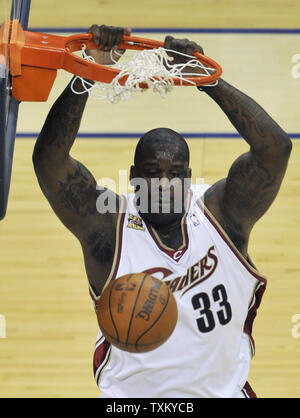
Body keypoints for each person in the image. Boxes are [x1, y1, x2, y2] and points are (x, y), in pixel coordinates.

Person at [32, 24, 292, 398]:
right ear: (135, 178)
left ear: (189, 178)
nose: (164, 184)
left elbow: (275, 150)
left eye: (174, 175)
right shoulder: (109, 228)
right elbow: (49, 162)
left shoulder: (222, 215)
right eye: (153, 174)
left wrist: (209, 81)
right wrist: (88, 72)